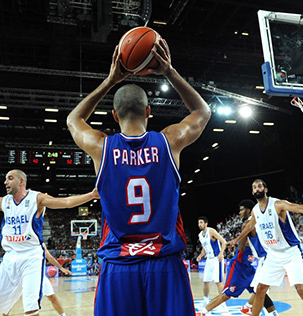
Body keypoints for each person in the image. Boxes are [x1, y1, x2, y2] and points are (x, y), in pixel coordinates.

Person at [67, 38, 211, 316]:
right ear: (148, 111)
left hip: (119, 264)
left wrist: (109, 81)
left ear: (113, 114)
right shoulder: (170, 141)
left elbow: (73, 120)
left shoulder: (101, 146)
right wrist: (169, 71)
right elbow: (202, 112)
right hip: (164, 262)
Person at [0, 169, 99, 316]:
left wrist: (90, 195)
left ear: (21, 181)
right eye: (6, 179)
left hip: (31, 257)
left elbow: (66, 202)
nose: (5, 182)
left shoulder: (37, 198)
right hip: (10, 258)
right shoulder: (3, 202)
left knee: (31, 309)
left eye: (10, 178)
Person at [229, 179, 303, 316]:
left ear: (265, 190)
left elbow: (298, 207)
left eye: (259, 186)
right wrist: (237, 239)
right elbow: (249, 225)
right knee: (260, 289)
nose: (257, 189)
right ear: (253, 192)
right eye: (254, 187)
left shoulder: (277, 204)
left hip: (291, 253)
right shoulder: (255, 211)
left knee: (301, 289)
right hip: (273, 255)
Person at [201, 200, 279, 316]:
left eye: (241, 210)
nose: (240, 213)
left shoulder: (259, 223)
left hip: (248, 266)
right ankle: (203, 311)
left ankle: (264, 311)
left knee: (261, 290)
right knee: (227, 295)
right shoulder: (247, 225)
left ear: (248, 210)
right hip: (238, 265)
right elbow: (241, 248)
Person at [3, 243, 71, 316]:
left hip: (38, 274)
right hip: (20, 276)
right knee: (10, 300)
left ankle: (63, 315)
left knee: (52, 297)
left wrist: (61, 268)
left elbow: (50, 258)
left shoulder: (41, 244)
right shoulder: (18, 243)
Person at [196, 216, 228, 313]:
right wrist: (200, 256)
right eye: (198, 223)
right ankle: (206, 301)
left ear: (206, 223)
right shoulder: (200, 235)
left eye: (201, 222)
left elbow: (223, 241)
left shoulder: (211, 231)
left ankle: (223, 305)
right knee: (206, 281)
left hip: (216, 259)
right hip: (208, 260)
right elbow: (204, 248)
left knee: (218, 282)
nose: (199, 225)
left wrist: (221, 253)